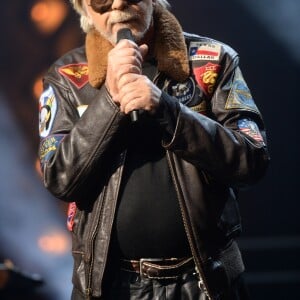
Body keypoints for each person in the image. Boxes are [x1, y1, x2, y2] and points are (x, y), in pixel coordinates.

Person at [38, 0, 270, 299]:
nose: (119, 3)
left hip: (205, 282)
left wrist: (168, 110)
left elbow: (251, 161)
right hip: (112, 286)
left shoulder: (212, 60)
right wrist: (111, 100)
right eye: (102, 1)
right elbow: (59, 178)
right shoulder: (66, 77)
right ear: (85, 9)